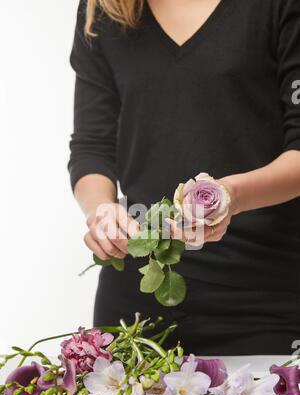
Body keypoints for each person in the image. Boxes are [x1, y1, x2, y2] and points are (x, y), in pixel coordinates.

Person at [69, 0, 300, 355]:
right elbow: (92, 146)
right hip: (135, 302)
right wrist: (102, 209)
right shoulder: (103, 9)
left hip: (262, 302)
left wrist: (230, 196)